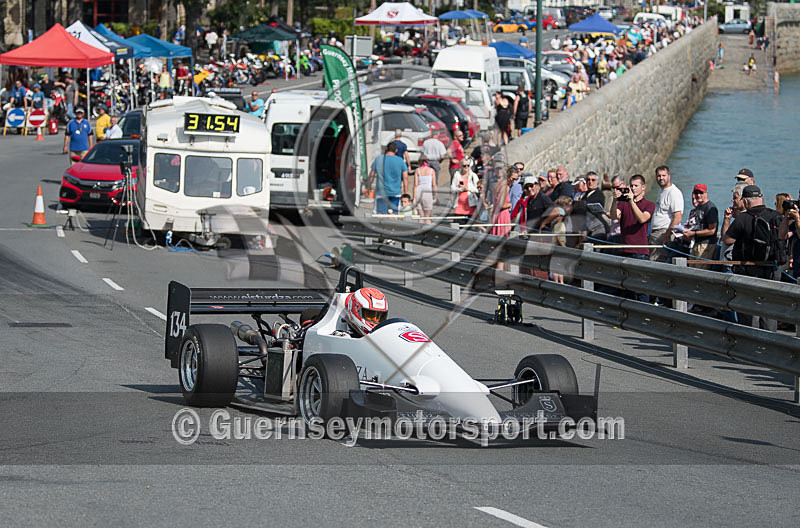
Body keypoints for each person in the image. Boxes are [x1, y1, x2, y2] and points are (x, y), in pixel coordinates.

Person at [721, 185, 784, 331]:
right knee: (769, 311)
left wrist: (726, 220)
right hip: (771, 270)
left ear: (745, 201)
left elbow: (726, 240)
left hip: (748, 271)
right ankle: (770, 344)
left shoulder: (743, 218)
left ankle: (751, 345)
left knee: (748, 310)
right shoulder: (775, 215)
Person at [610, 174, 655, 302]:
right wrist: (615, 200)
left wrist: (631, 202)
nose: (633, 188)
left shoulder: (649, 204)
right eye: (631, 186)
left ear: (643, 187)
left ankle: (644, 315)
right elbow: (614, 216)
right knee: (627, 288)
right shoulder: (623, 204)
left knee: (641, 288)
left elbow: (642, 218)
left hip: (640, 252)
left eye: (636, 186)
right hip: (625, 251)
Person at [649, 165, 683, 263]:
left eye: (663, 175)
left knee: (658, 262)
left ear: (669, 176)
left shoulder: (673, 192)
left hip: (663, 233)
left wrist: (666, 236)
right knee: (652, 261)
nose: (661, 178)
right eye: (659, 176)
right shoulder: (661, 190)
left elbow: (678, 217)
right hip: (656, 233)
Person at [681, 184, 718, 270]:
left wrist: (693, 233)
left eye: (701, 193)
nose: (698, 195)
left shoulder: (710, 208)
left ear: (706, 193)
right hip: (696, 243)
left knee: (700, 269)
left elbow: (712, 230)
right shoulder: (699, 207)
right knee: (691, 268)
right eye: (696, 193)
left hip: (706, 245)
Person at [369, 142, 408, 214]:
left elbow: (371, 175)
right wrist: (405, 192)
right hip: (396, 193)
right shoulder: (401, 161)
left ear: (386, 149)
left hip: (381, 193)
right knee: (394, 215)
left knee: (380, 216)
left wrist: (368, 186)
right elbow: (405, 177)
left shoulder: (378, 159)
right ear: (396, 150)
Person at [412, 155, 437, 223]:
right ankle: (428, 232)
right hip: (427, 192)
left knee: (421, 216)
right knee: (427, 216)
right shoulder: (431, 171)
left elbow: (415, 185)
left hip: (419, 192)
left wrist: (414, 198)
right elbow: (434, 185)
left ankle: (420, 231)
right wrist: (436, 196)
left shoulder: (417, 170)